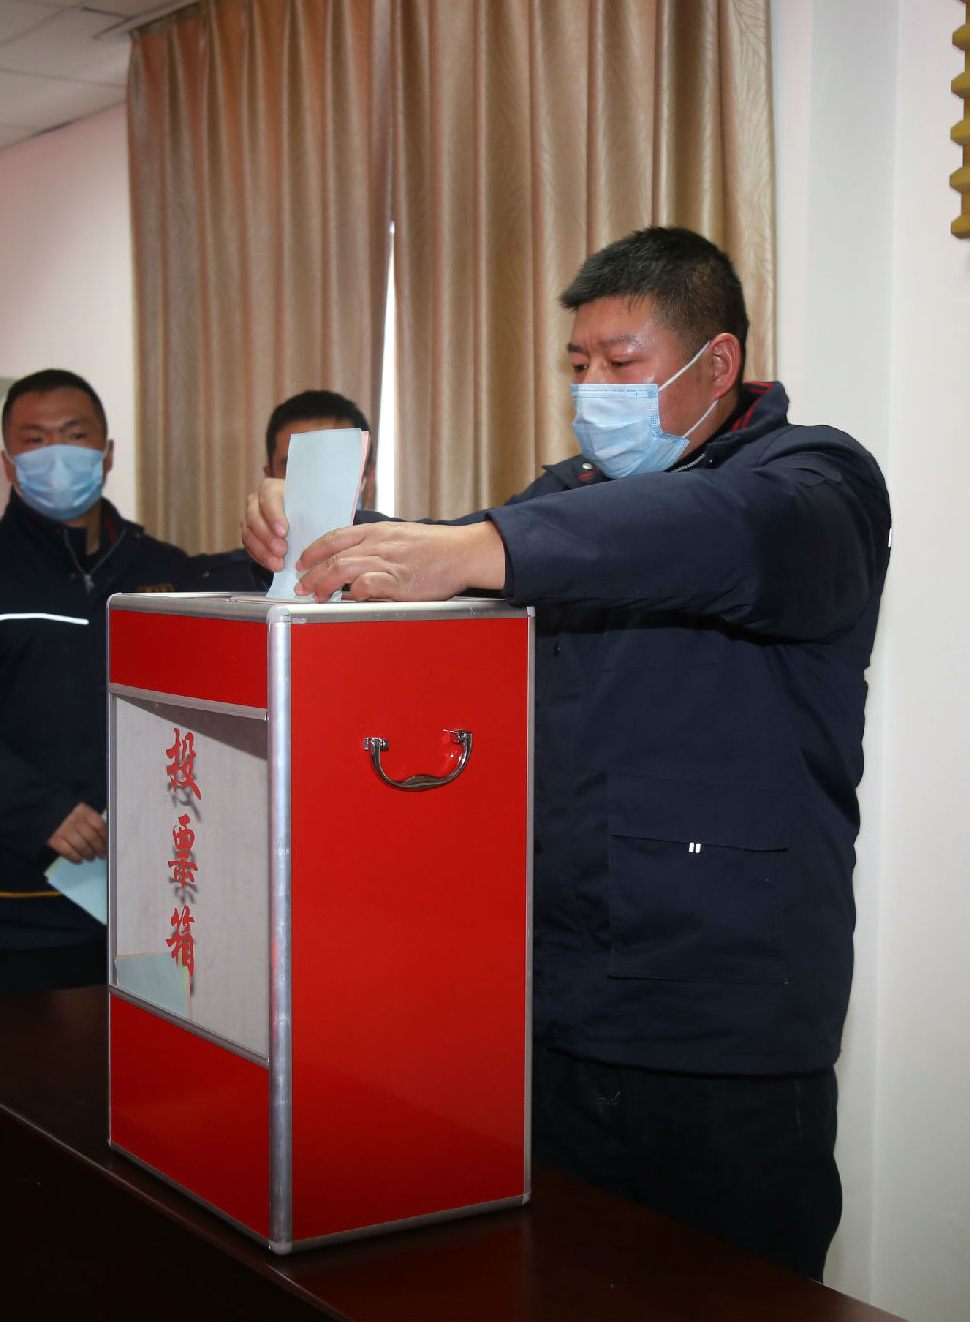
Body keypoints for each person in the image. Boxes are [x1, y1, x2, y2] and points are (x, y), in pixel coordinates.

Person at [241, 226, 890, 1279]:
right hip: (552, 1007)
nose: (593, 391)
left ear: (716, 362)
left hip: (721, 1028)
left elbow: (717, 532)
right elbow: (454, 546)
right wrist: (332, 532)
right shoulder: (570, 495)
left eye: (621, 363)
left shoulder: (816, 480)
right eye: (579, 365)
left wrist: (480, 547)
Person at [0, 369, 192, 997]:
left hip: (162, 887)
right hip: (30, 893)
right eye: (34, 439)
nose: (56, 454)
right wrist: (40, 811)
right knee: (45, 1057)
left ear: (107, 454)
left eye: (74, 434)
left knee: (163, 1050)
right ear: (8, 463)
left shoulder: (170, 574)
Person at [190, 387, 373, 590]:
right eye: (297, 467)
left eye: (337, 466)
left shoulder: (399, 578)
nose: (317, 487)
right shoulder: (219, 585)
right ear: (269, 479)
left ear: (368, 478)